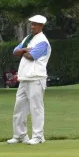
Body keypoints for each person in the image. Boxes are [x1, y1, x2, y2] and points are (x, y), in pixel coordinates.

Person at [6, 15, 51, 145]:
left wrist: (23, 52)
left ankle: (38, 136)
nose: (32, 26)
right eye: (31, 24)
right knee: (19, 107)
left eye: (35, 24)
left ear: (41, 26)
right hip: (24, 77)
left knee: (36, 108)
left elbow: (32, 56)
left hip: (36, 78)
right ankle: (20, 135)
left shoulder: (43, 41)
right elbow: (15, 51)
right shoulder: (28, 38)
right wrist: (24, 49)